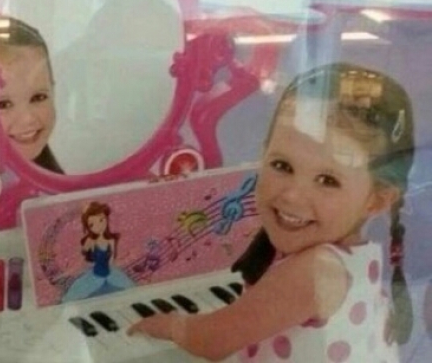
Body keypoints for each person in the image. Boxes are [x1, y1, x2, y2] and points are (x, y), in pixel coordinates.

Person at [128, 62, 414, 362]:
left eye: (327, 180)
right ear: (263, 153)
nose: (291, 194)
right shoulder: (361, 254)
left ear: (376, 200)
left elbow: (214, 339)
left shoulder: (316, 269)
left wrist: (174, 326)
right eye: (282, 165)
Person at [0, 17, 63, 173]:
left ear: (53, 89)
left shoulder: (53, 177)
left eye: (38, 97)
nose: (27, 119)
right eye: (3, 104)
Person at [62, 201, 134, 302]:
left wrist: (117, 263)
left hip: (110, 273)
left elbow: (112, 258)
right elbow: (84, 254)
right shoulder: (91, 241)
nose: (99, 226)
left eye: (101, 220)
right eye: (92, 224)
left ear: (106, 219)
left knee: (129, 291)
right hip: (96, 275)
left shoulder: (111, 241)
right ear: (88, 228)